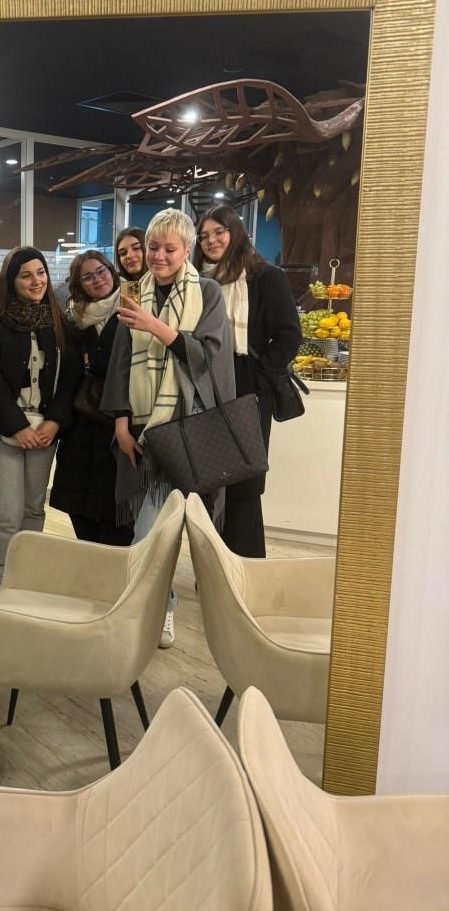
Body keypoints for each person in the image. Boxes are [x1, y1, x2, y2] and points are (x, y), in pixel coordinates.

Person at [102, 209, 235, 647]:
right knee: (153, 529)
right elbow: (121, 363)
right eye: (153, 247)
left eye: (169, 249)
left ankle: (160, 609)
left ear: (187, 250)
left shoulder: (207, 292)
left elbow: (209, 355)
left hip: (185, 428)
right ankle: (157, 607)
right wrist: (121, 423)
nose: (159, 256)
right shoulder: (134, 293)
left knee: (154, 530)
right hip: (141, 427)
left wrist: (157, 327)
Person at [193, 203, 301, 557]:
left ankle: (245, 569)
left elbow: (288, 335)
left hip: (246, 385)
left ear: (235, 232)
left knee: (244, 483)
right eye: (204, 236)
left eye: (218, 232)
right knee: (207, 480)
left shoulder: (265, 277)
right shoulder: (195, 281)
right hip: (204, 384)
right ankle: (213, 570)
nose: (211, 241)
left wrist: (257, 381)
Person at [0, 246, 80, 599]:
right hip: (6, 432)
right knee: (9, 511)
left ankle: (27, 574)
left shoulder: (60, 323)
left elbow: (70, 379)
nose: (36, 281)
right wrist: (16, 426)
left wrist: (55, 422)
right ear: (12, 281)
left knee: (34, 509)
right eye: (26, 275)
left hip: (45, 431)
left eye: (40, 273)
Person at [50, 250, 134, 545]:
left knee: (118, 518)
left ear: (112, 272)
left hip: (118, 425)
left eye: (101, 271)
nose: (97, 279)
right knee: (80, 514)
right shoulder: (72, 321)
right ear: (78, 285)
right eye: (87, 277)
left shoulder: (132, 311)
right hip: (80, 428)